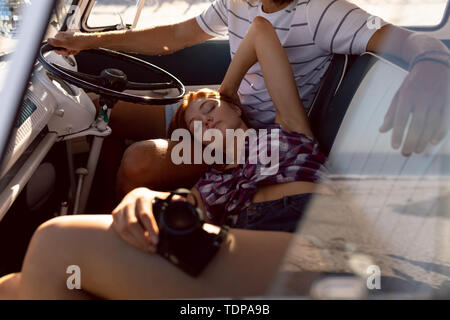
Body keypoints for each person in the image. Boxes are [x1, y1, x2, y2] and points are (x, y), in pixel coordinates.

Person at [0, 16, 334, 300]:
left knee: (53, 240)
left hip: (307, 236)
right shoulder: (213, 180)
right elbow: (186, 208)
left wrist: (225, 93)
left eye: (209, 109)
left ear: (235, 107)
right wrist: (144, 195)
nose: (205, 120)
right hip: (242, 246)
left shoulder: (288, 129)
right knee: (12, 287)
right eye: (197, 125)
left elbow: (260, 30)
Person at [48, 0, 450, 199]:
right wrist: (86, 41)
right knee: (98, 109)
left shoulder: (322, 11)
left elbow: (409, 40)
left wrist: (432, 60)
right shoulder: (239, 2)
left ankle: (111, 222)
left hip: (246, 133)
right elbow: (175, 37)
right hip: (221, 107)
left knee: (137, 160)